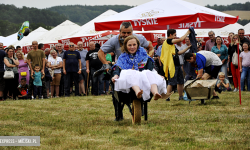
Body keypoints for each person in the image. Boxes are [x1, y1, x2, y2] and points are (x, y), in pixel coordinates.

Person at [97, 22, 154, 121]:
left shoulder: (139, 38)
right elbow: (100, 52)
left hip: (137, 68)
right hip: (122, 67)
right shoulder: (114, 40)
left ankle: (141, 104)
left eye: (129, 32)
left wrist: (147, 59)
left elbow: (150, 46)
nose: (126, 35)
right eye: (124, 33)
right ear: (119, 32)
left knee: (144, 82)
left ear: (132, 31)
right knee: (116, 89)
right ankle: (118, 114)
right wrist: (106, 64)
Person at [112, 35, 171, 101]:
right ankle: (138, 92)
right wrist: (115, 75)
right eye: (129, 45)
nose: (132, 47)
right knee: (131, 73)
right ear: (125, 46)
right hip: (129, 79)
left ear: (137, 45)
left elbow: (151, 69)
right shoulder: (122, 57)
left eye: (134, 45)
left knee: (148, 72)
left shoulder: (144, 55)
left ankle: (155, 93)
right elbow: (118, 68)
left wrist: (157, 75)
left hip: (143, 78)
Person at [160, 29, 191, 101]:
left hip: (177, 65)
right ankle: (167, 97)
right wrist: (187, 33)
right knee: (171, 82)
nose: (175, 36)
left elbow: (179, 53)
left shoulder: (172, 45)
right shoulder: (168, 41)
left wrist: (187, 48)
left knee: (180, 81)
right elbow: (180, 39)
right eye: (175, 35)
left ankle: (181, 97)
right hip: (172, 66)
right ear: (170, 35)